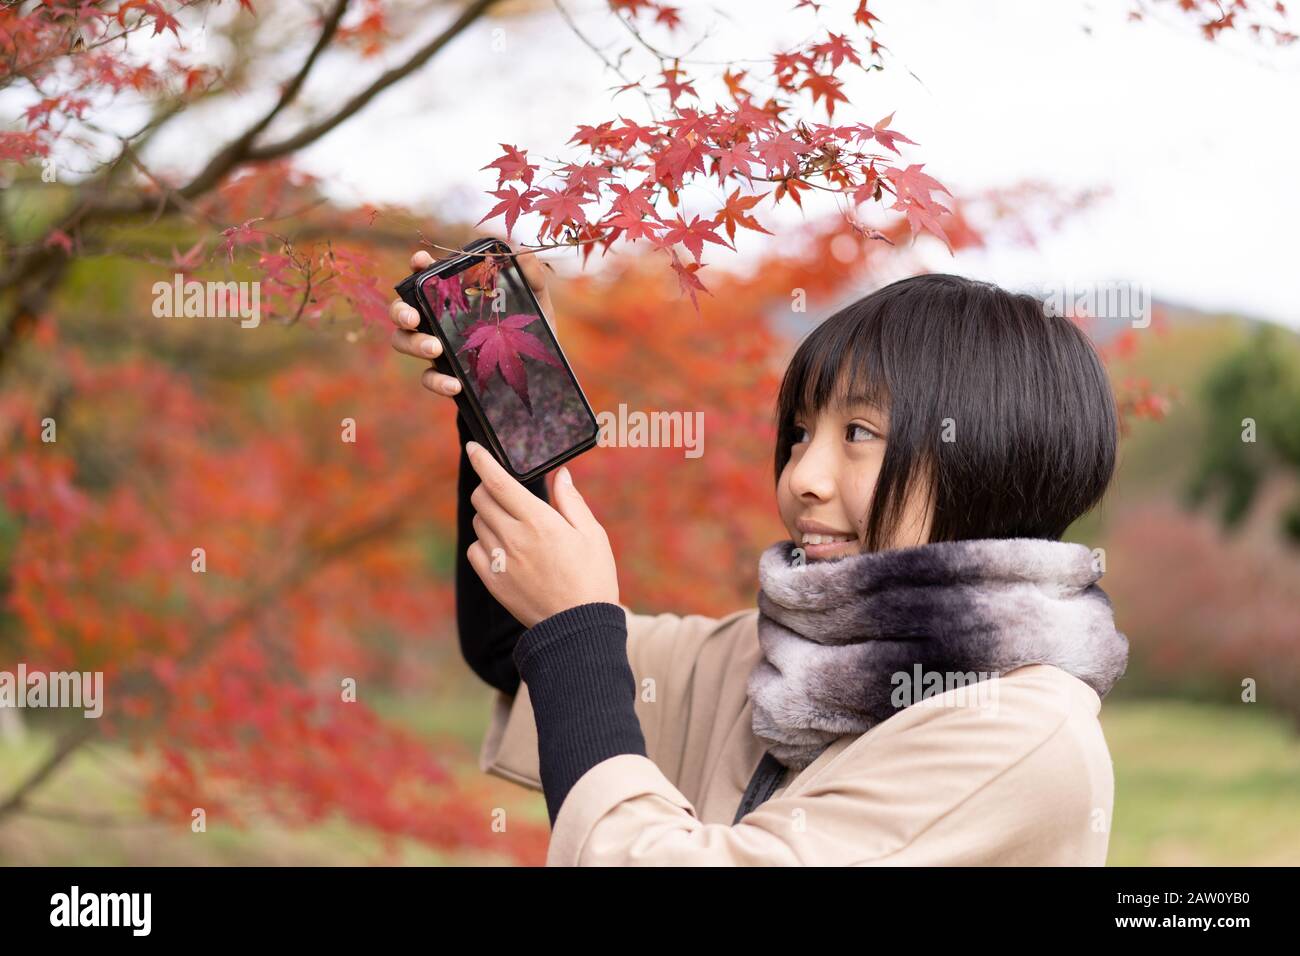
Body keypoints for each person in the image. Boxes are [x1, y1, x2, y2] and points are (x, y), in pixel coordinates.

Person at [388, 247, 1129, 866]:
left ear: (989, 458)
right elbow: (517, 650)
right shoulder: (776, 656)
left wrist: (579, 622)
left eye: (860, 434)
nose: (801, 478)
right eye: (801, 432)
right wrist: (503, 388)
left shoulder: (1018, 734)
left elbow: (573, 650)